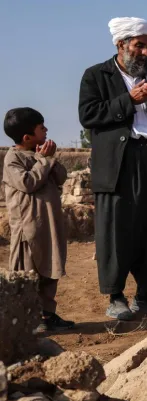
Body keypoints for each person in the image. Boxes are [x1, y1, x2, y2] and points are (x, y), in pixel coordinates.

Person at [78, 17, 147, 320]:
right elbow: (88, 115)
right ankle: (116, 297)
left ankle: (145, 297)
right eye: (139, 46)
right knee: (118, 231)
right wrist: (129, 99)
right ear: (121, 44)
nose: (145, 53)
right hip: (119, 165)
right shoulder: (96, 76)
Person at [2, 107, 75, 332]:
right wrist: (43, 160)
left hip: (49, 225)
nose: (46, 130)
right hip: (28, 228)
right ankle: (29, 319)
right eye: (41, 127)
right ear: (27, 137)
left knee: (50, 269)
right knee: (29, 273)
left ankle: (48, 314)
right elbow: (28, 183)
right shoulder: (13, 159)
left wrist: (49, 159)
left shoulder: (39, 154)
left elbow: (61, 177)